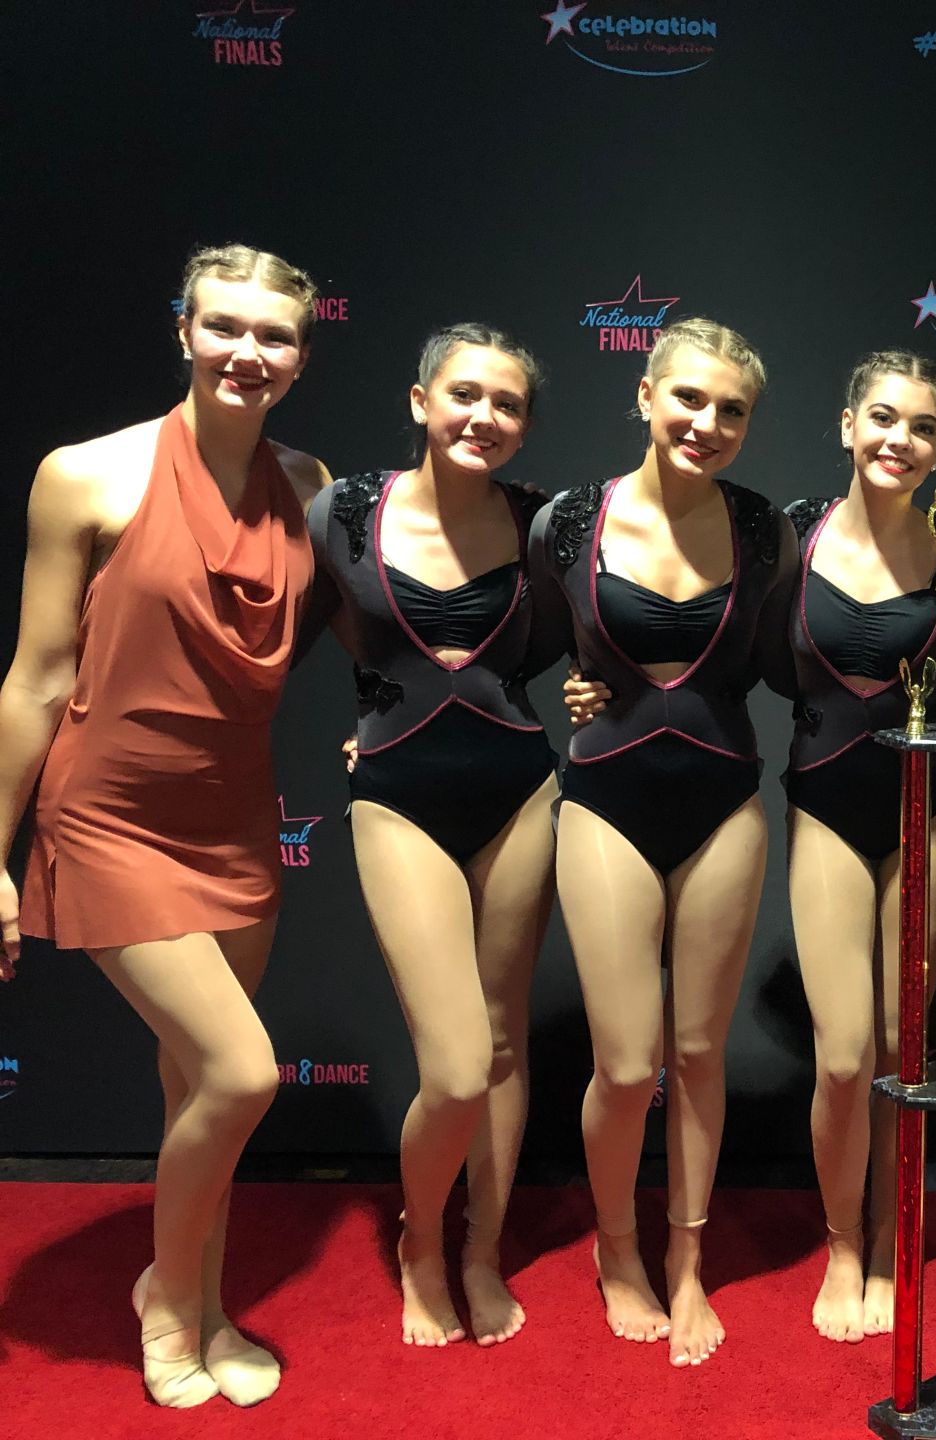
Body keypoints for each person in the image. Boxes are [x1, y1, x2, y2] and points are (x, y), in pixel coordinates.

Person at [0, 244, 329, 1407]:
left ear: (302, 351)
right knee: (241, 1076)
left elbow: (376, 630)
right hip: (109, 817)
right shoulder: (83, 476)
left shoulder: (309, 478)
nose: (249, 351)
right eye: (225, 325)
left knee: (196, 1092)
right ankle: (168, 1309)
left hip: (235, 822)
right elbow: (36, 678)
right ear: (182, 328)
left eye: (275, 334)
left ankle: (201, 1301)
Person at [529, 317, 796, 1367]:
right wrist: (367, 728)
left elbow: (806, 652)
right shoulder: (568, 520)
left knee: (696, 1052)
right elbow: (493, 647)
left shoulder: (764, 530)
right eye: (689, 398)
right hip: (603, 800)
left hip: (726, 802)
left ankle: (686, 1261)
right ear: (645, 394)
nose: (707, 422)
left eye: (731, 410)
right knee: (628, 1057)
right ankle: (619, 1249)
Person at [303, 324, 561, 1347]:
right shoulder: (345, 511)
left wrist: (591, 690)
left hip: (519, 791)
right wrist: (375, 701)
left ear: (524, 425)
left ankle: (481, 1249)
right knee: (453, 1063)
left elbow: (616, 628)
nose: (482, 417)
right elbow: (311, 615)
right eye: (463, 394)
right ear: (420, 400)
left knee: (502, 1040)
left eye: (505, 404)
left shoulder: (547, 526)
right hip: (398, 792)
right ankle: (420, 1244)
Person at [780, 352, 936, 1342]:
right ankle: (843, 1246)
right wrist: (598, 687)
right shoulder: (787, 537)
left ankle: (897, 1235)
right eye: (886, 419)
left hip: (929, 812)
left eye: (925, 427)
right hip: (823, 804)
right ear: (849, 423)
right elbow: (708, 645)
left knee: (906, 1049)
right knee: (847, 1055)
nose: (902, 440)